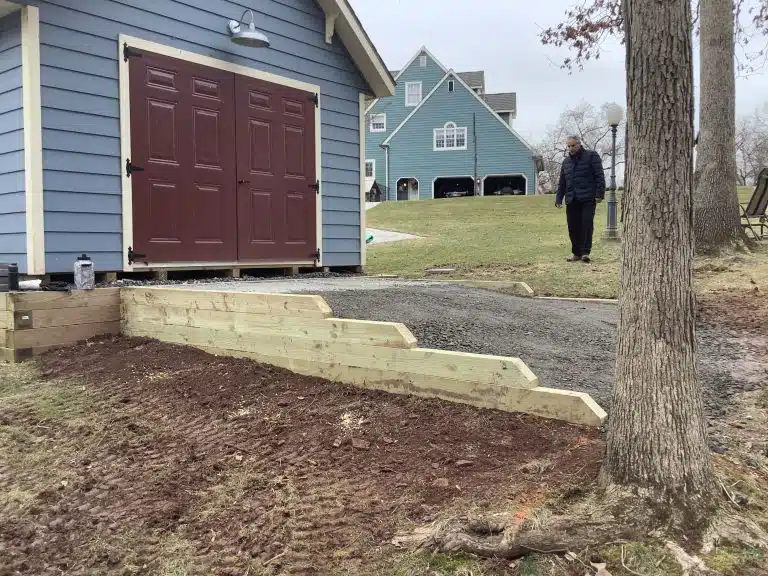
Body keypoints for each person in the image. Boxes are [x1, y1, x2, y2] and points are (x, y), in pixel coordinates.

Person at [555, 136, 606, 263]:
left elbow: (599, 175)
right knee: (572, 226)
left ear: (579, 144)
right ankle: (576, 252)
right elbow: (562, 182)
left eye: (573, 145)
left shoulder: (591, 156)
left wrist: (599, 194)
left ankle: (585, 252)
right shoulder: (566, 162)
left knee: (586, 224)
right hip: (572, 199)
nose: (570, 148)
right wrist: (558, 198)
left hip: (588, 198)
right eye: (568, 146)